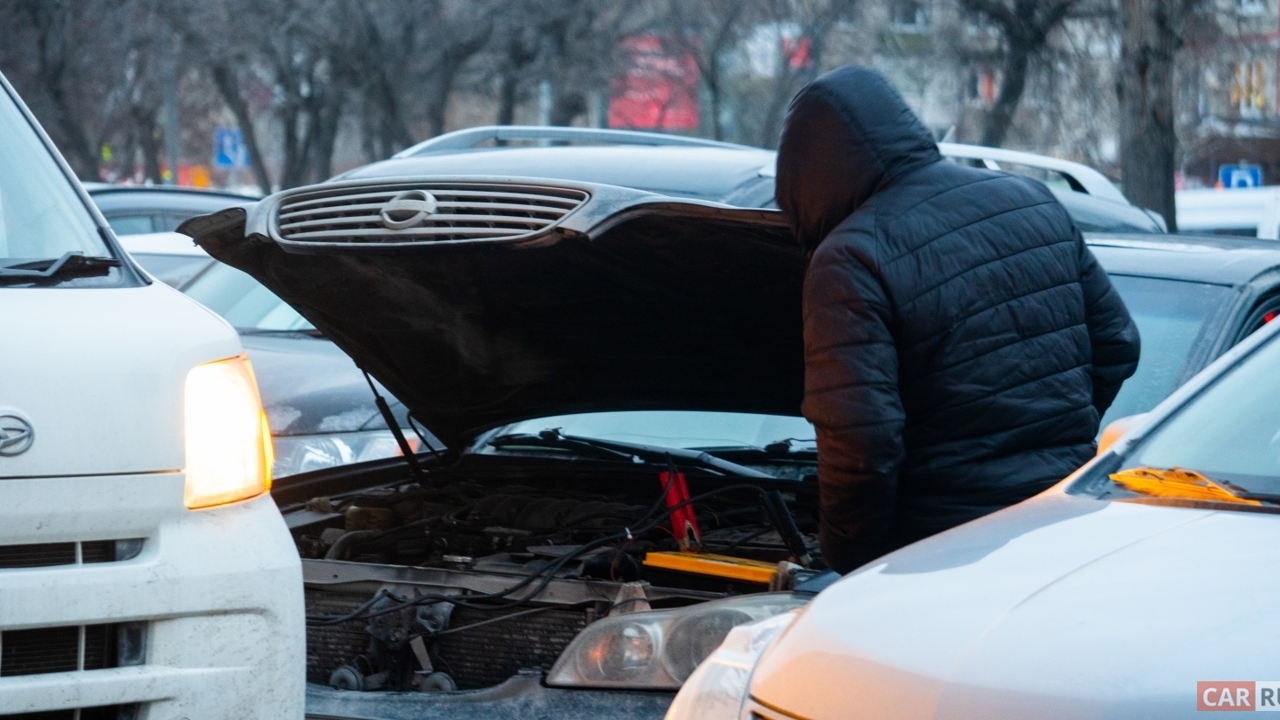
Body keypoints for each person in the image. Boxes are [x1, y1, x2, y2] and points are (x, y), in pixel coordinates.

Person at [775, 65, 1140, 574]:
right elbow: (1119, 342)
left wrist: (850, 562)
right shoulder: (1029, 199)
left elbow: (863, 442)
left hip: (940, 548)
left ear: (806, 176)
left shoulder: (851, 256)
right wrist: (1054, 440)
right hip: (1059, 527)